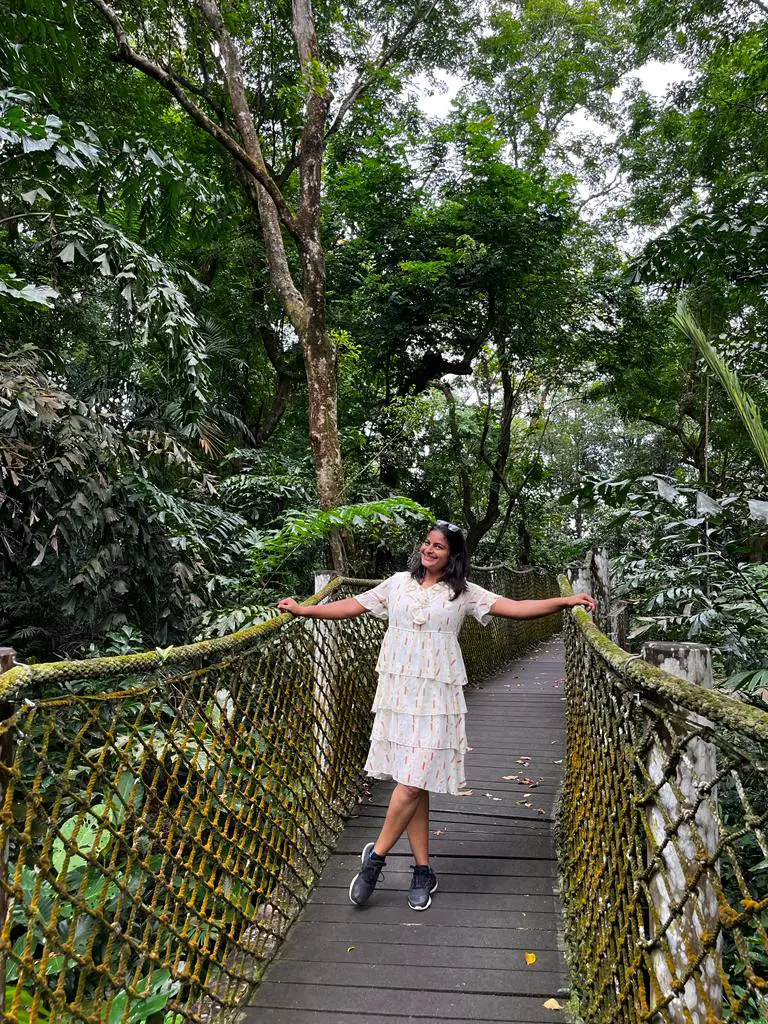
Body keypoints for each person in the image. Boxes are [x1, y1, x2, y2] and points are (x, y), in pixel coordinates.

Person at [277, 521, 596, 912]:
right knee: (417, 781)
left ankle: (374, 861)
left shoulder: (463, 593)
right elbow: (353, 606)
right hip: (399, 695)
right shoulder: (396, 584)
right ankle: (423, 870)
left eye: (438, 547)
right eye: (426, 543)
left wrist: (563, 602)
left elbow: (515, 608)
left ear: (453, 555)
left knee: (412, 781)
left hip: (438, 697)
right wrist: (305, 610)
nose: (429, 550)